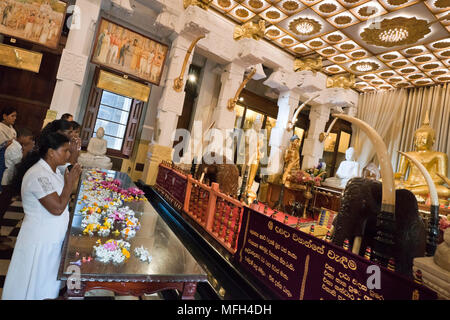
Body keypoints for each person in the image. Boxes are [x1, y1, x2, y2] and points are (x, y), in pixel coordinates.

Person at [2, 132, 82, 300]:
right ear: (51, 152)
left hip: (50, 237)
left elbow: (70, 165)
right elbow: (58, 208)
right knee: (34, 284)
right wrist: (69, 185)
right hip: (39, 240)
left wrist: (75, 151)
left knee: (45, 283)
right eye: (65, 150)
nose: (68, 155)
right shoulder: (38, 175)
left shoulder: (52, 170)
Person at [0, 128, 35, 246]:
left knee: (3, 208)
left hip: (8, 181)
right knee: (1, 208)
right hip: (5, 181)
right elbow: (20, 164)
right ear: (22, 137)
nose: (31, 142)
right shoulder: (15, 147)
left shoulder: (17, 146)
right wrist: (26, 151)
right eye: (30, 139)